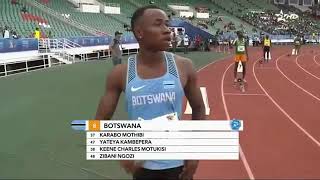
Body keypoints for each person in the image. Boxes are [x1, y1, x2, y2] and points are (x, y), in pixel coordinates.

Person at [95, 5, 205, 180]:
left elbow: (199, 109)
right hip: (142, 169)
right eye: (158, 24)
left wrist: (194, 155)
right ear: (140, 32)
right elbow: (99, 121)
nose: (167, 30)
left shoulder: (184, 66)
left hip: (179, 167)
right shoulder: (120, 74)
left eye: (167, 25)